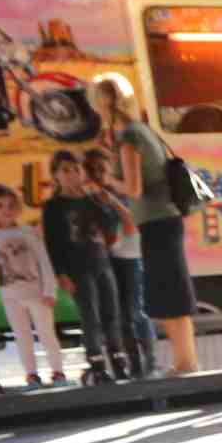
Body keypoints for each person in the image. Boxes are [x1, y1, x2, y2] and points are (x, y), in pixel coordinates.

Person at [90, 72, 199, 375]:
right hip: (166, 219)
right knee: (173, 291)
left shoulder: (129, 137)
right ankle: (185, 360)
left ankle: (186, 363)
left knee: (169, 293)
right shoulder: (143, 130)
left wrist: (109, 180)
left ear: (101, 104)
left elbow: (133, 188)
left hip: (156, 221)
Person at [47, 150, 125, 385]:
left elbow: (110, 228)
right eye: (65, 170)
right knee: (90, 316)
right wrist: (61, 273)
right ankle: (97, 365)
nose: (72, 174)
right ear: (56, 175)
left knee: (112, 313)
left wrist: (103, 204)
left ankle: (119, 362)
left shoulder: (92, 200)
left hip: (102, 263)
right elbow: (53, 242)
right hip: (77, 269)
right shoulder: (54, 206)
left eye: (76, 169)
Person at [0, 184, 66, 389]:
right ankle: (31, 375)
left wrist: (49, 290)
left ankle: (58, 372)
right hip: (10, 295)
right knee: (22, 335)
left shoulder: (28, 232)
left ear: (18, 207)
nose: (6, 210)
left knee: (46, 333)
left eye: (11, 205)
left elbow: (44, 261)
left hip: (36, 292)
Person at [86, 147, 152, 380]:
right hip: (107, 259)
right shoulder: (91, 197)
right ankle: (131, 364)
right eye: (92, 170)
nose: (98, 174)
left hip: (130, 257)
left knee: (133, 311)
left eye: (101, 169)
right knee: (116, 314)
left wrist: (112, 201)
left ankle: (148, 360)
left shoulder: (122, 191)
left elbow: (132, 224)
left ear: (111, 168)